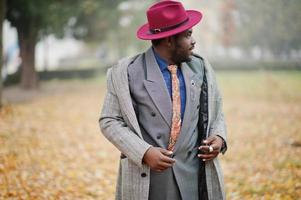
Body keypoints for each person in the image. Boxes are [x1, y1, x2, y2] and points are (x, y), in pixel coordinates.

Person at [99, 1, 227, 200]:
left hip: (196, 180)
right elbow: (109, 120)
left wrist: (218, 138)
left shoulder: (201, 67)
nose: (193, 41)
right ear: (168, 40)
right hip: (149, 183)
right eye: (187, 35)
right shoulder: (126, 73)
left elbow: (217, 111)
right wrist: (144, 152)